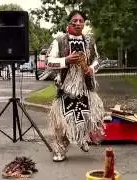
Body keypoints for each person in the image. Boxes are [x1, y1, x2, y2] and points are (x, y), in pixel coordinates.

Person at [46, 10, 105, 162]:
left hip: (85, 86)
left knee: (87, 116)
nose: (78, 23)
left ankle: (81, 138)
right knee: (62, 121)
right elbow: (49, 62)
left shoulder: (89, 41)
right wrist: (66, 60)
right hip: (66, 87)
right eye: (75, 20)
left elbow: (98, 60)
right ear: (69, 23)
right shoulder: (59, 41)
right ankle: (59, 149)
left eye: (81, 21)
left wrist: (91, 68)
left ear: (84, 23)